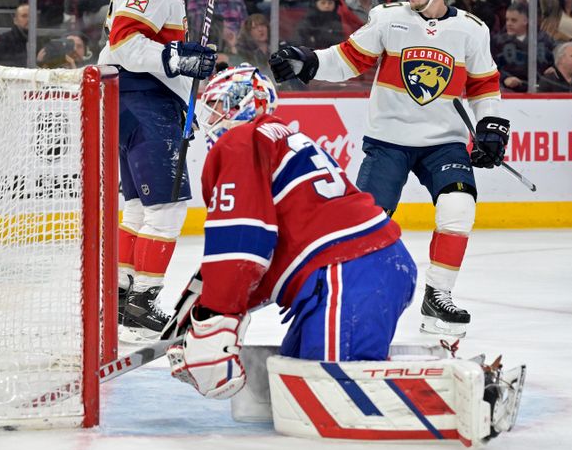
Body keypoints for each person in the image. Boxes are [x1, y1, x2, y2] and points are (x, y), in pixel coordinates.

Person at [269, 0, 510, 337]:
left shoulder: (471, 29)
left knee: (459, 207)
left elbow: (484, 85)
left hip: (444, 143)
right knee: (366, 223)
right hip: (389, 141)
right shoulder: (388, 19)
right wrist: (308, 61)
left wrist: (493, 125)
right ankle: (348, 295)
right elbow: (349, 59)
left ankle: (439, 297)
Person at [167, 64, 414, 396]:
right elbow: (268, 253)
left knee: (334, 398)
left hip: (348, 270)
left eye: (218, 106)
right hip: (356, 267)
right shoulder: (275, 136)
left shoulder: (241, 140)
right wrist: (208, 305)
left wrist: (217, 321)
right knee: (298, 393)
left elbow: (242, 243)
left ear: (246, 104)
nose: (209, 118)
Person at [97, 0, 217, 342]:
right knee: (166, 210)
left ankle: (123, 295)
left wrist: (181, 60)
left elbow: (137, 43)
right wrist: (179, 59)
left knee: (138, 210)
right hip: (144, 102)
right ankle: (145, 303)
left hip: (128, 102)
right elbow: (126, 42)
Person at [491, 1, 554, 93]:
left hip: (540, 88)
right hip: (508, 90)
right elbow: (492, 67)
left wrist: (553, 68)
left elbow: (554, 61)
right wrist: (505, 78)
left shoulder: (543, 40)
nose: (508, 23)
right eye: (507, 20)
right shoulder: (497, 41)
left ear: (526, 20)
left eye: (513, 20)